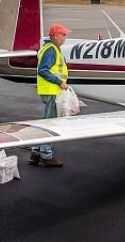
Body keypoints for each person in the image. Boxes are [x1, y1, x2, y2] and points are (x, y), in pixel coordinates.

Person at [29, 23, 70, 167]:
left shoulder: (50, 48)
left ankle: (36, 152)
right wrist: (59, 82)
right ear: (55, 36)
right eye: (63, 35)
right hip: (51, 90)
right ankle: (45, 155)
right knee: (49, 123)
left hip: (50, 90)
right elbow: (43, 70)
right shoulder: (51, 50)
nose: (65, 38)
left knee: (44, 121)